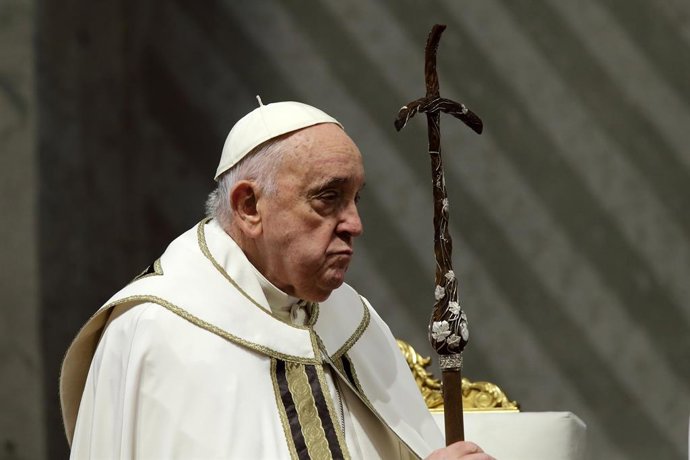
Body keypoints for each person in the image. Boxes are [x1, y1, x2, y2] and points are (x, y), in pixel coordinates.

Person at [60, 99, 493, 459]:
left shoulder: (350, 320)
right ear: (249, 205)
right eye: (329, 197)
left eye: (356, 199)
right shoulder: (157, 333)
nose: (355, 224)